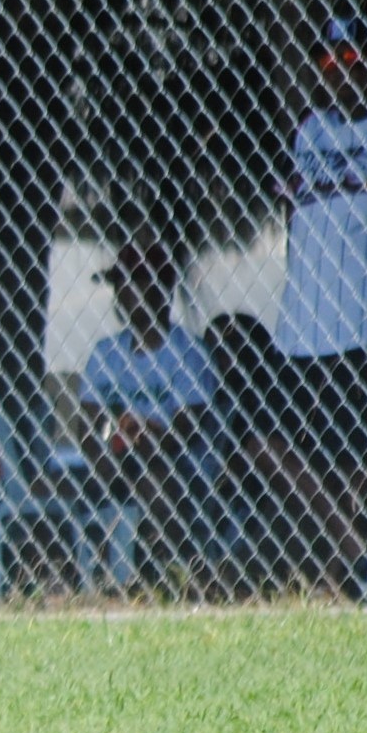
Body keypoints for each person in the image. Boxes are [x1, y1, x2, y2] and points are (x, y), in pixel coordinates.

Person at [254, 18, 367, 597]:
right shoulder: (303, 133)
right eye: (327, 63)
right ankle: (357, 555)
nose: (339, 73)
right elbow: (290, 218)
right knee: (266, 444)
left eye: (351, 58)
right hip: (304, 330)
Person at [75, 236, 216, 569]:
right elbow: (88, 425)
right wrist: (104, 455)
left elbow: (185, 430)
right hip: (119, 458)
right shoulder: (105, 353)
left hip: (179, 465)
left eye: (137, 281)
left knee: (154, 476)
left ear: (163, 289)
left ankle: (168, 568)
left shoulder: (187, 352)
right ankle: (98, 571)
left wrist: (144, 438)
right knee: (82, 479)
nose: (127, 292)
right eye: (122, 283)